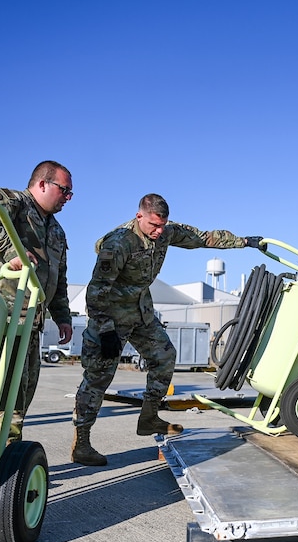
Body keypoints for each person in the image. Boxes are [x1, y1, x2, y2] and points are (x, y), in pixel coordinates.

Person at [71, 193, 266, 466]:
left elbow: (203, 238)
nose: (158, 231)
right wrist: (105, 330)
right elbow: (96, 290)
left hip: (141, 313)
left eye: (162, 225)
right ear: (140, 217)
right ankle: (82, 443)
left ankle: (149, 418)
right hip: (111, 317)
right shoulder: (119, 243)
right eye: (153, 225)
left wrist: (244, 242)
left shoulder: (165, 233)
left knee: (164, 356)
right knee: (98, 377)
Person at [0, 160, 74, 448]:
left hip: (30, 324)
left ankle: (6, 462)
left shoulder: (57, 231)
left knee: (19, 395)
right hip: (1, 317)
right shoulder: (14, 203)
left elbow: (58, 278)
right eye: (64, 190)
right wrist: (13, 250)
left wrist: (62, 316)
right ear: (42, 184)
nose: (68, 198)